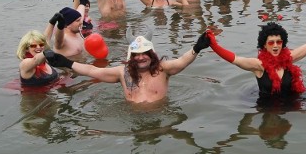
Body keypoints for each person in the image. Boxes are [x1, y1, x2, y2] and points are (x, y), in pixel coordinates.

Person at [43, 32, 211, 103]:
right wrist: (66, 62)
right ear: (130, 58)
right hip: (132, 117)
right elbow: (92, 71)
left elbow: (182, 61)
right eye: (136, 55)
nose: (141, 57)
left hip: (161, 113)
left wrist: (196, 48)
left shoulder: (163, 68)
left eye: (145, 53)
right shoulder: (122, 72)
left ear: (151, 54)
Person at [205, 6, 306, 97]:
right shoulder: (258, 66)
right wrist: (214, 45)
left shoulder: (290, 58)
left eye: (279, 42)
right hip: (267, 109)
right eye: (271, 42)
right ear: (264, 45)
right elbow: (236, 60)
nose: (276, 45)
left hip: (290, 106)